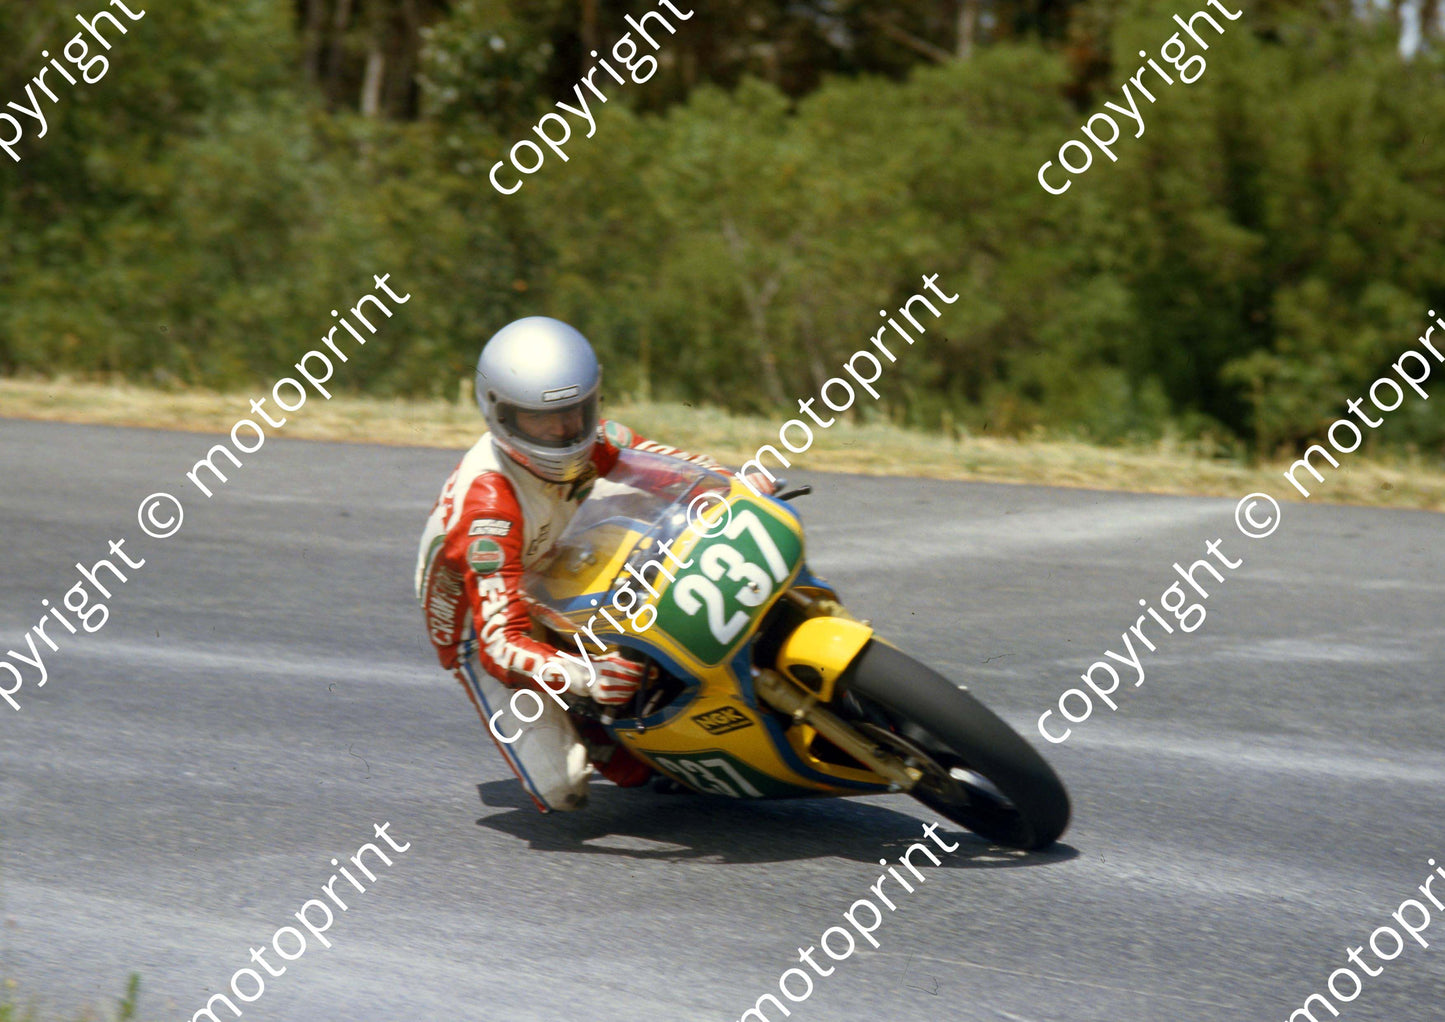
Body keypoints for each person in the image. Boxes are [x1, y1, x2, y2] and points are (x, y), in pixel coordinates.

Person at [414, 316, 749, 812]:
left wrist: (737, 486)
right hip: (481, 620)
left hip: (557, 551)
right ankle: (602, 737)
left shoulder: (592, 438)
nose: (563, 430)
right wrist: (589, 678)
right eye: (541, 419)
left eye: (576, 411)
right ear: (500, 415)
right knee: (564, 786)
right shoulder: (487, 508)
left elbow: (670, 468)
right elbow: (501, 646)